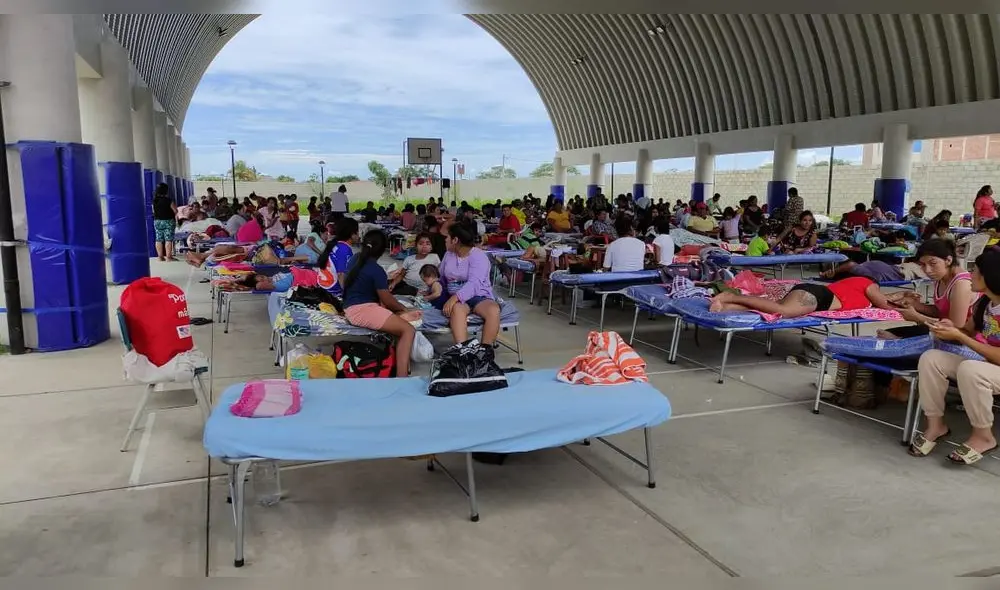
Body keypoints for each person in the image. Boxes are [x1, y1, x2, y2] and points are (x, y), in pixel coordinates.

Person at [908, 248, 1000, 464]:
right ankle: (935, 426)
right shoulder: (984, 303)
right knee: (931, 358)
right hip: (989, 365)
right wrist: (951, 327)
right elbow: (967, 330)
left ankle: (983, 437)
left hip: (991, 365)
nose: (971, 274)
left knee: (971, 369)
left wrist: (960, 336)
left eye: (975, 271)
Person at [341, 230, 421, 377]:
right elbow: (387, 299)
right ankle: (402, 377)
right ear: (382, 250)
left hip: (351, 306)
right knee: (408, 330)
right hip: (362, 310)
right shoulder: (376, 270)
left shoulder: (355, 259)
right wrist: (404, 308)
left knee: (398, 318)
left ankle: (400, 319)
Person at [881, 239, 976, 338]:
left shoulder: (961, 285)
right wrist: (916, 305)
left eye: (933, 263)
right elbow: (943, 312)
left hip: (965, 340)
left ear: (948, 260)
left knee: (891, 339)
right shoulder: (941, 277)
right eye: (922, 265)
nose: (927, 270)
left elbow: (956, 331)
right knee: (886, 334)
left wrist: (918, 318)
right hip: (944, 331)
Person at [439, 220, 501, 345]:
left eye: (447, 237)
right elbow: (441, 277)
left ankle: (485, 351)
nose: (445, 240)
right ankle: (463, 351)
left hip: (478, 296)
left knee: (493, 310)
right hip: (457, 299)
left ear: (455, 240)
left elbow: (474, 284)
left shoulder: (478, 256)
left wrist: (455, 298)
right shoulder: (448, 255)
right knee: (457, 309)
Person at [710, 275, 894, 317]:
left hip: (816, 294)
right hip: (819, 296)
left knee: (770, 307)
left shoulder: (854, 285)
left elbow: (885, 299)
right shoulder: (867, 283)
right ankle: (730, 297)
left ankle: (725, 306)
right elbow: (885, 304)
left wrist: (903, 295)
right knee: (783, 310)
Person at [316, 217, 359, 296]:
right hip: (332, 290)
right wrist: (347, 295)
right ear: (352, 234)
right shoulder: (344, 249)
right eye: (358, 232)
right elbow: (341, 275)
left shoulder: (336, 244)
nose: (359, 235)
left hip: (323, 285)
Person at [152, 182, 178, 262]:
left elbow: (153, 212)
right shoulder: (168, 200)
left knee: (158, 239)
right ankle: (169, 257)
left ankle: (160, 257)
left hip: (157, 221)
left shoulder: (154, 201)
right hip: (168, 221)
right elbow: (175, 211)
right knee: (168, 239)